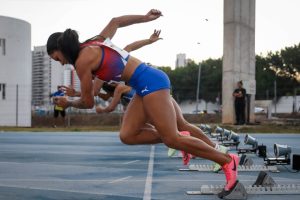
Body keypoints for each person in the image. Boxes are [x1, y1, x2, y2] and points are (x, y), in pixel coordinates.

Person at [46, 9, 239, 196]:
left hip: (151, 81)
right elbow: (116, 21)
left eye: (57, 58)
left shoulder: (81, 62)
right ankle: (181, 137)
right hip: (142, 85)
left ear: (61, 49)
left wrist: (69, 103)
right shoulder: (93, 42)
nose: (61, 63)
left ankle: (227, 160)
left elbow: (88, 102)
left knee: (171, 139)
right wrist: (146, 18)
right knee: (128, 135)